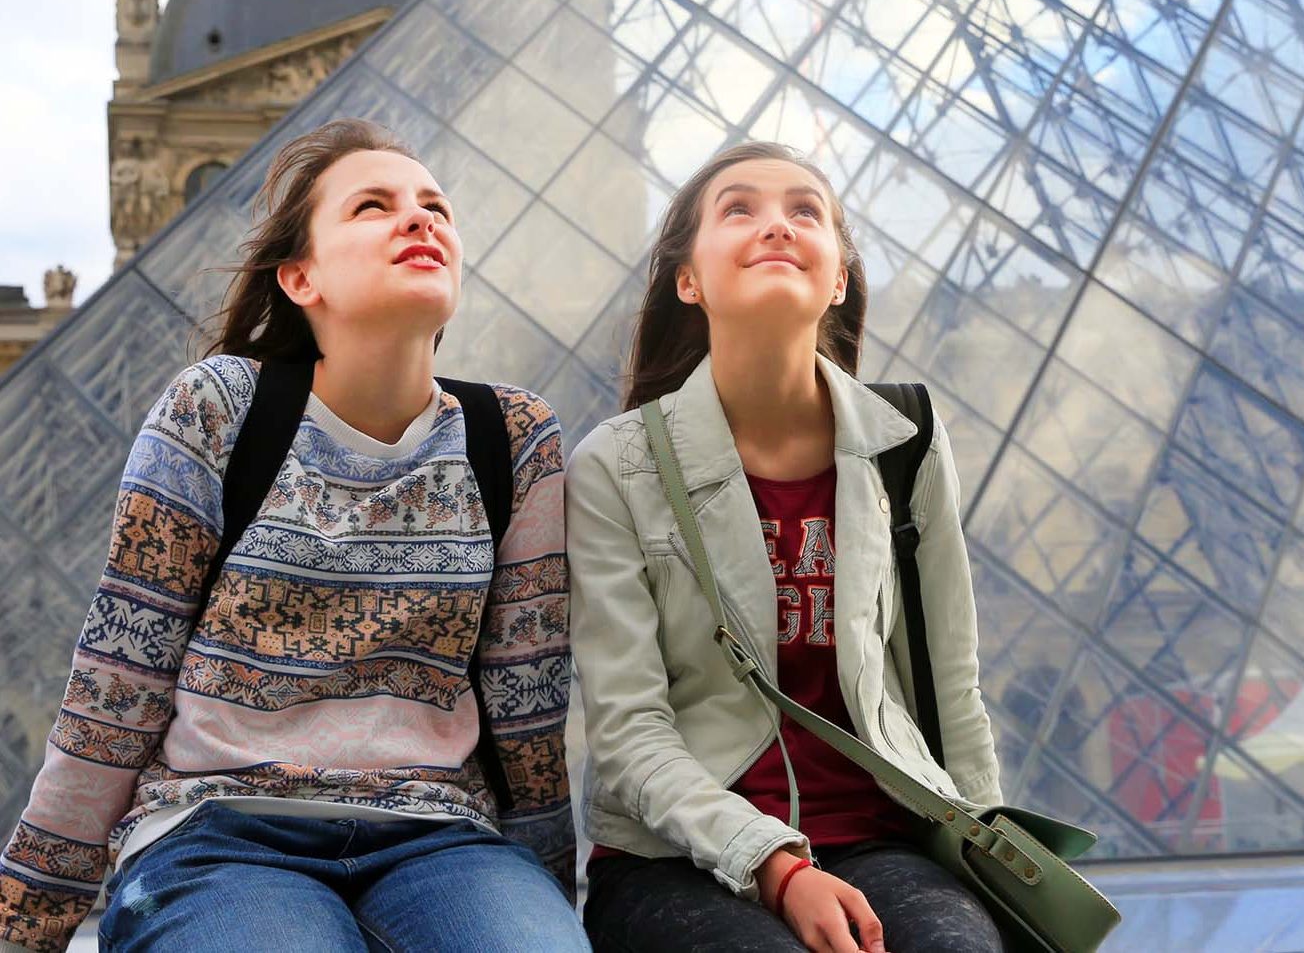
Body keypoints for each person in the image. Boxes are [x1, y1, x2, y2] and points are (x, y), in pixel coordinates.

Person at [0, 119, 587, 953]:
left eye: (435, 207)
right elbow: (118, 678)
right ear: (300, 276)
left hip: (443, 838)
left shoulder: (517, 435)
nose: (419, 220)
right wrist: (27, 921)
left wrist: (550, 903)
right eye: (373, 206)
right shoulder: (218, 408)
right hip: (220, 832)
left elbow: (527, 706)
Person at [567, 141, 1005, 953]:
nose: (776, 225)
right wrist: (774, 862)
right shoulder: (613, 465)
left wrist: (992, 858)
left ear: (836, 275)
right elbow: (628, 733)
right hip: (676, 854)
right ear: (687, 279)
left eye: (805, 210)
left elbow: (949, 684)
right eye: (738, 208)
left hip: (884, 838)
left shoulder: (905, 440)